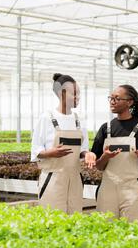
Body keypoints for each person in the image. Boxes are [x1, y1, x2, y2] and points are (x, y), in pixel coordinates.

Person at [89, 85, 138, 225]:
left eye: (117, 98)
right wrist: (105, 157)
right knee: (106, 231)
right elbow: (99, 166)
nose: (112, 101)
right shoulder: (105, 128)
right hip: (108, 188)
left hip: (134, 188)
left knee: (136, 232)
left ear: (130, 102)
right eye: (111, 98)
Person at [31, 73, 96, 214]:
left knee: (74, 216)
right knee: (53, 218)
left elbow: (83, 148)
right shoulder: (47, 118)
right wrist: (51, 153)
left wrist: (87, 154)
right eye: (74, 94)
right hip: (53, 178)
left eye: (78, 94)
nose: (78, 97)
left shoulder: (79, 120)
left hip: (74, 178)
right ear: (62, 93)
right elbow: (36, 150)